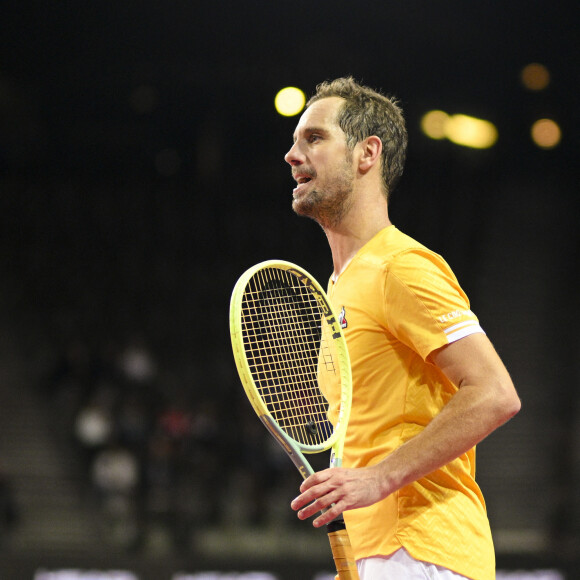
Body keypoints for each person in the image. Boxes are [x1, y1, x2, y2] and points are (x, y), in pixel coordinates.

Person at [284, 77, 521, 580]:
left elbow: (495, 393)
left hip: (423, 549)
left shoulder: (401, 266)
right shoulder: (340, 285)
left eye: (314, 138)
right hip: (384, 553)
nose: (292, 154)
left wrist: (379, 479)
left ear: (367, 153)